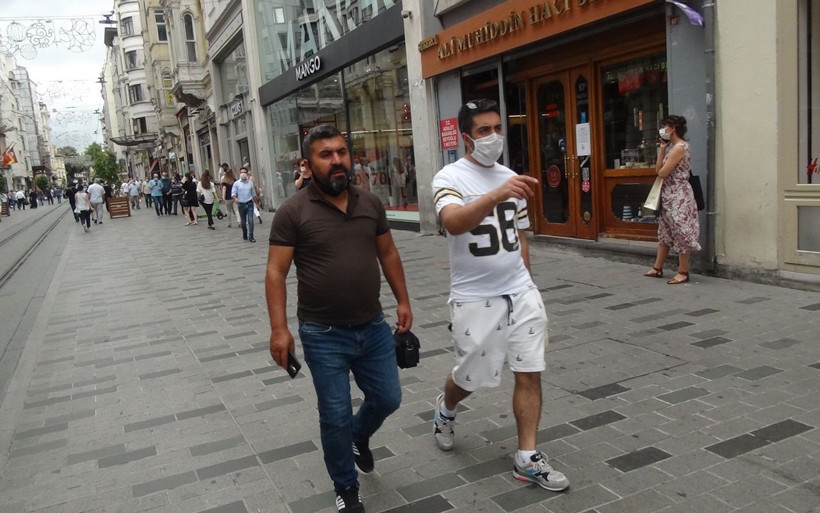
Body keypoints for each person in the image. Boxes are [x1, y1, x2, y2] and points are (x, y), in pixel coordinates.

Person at [266, 124, 413, 513]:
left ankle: (358, 436)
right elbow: (276, 272)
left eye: (341, 153)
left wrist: (403, 301)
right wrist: (279, 330)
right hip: (322, 333)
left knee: (388, 397)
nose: (336, 161)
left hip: (373, 326)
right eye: (326, 155)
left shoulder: (370, 203)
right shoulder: (292, 212)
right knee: (333, 414)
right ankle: (346, 487)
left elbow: (389, 254)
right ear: (307, 163)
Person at [430, 99, 570, 493]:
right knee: (470, 378)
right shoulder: (449, 177)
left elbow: (519, 233)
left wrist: (526, 277)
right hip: (474, 297)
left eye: (496, 128)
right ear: (466, 137)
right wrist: (494, 195)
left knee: (530, 370)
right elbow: (454, 223)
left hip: (520, 291)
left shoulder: (511, 177)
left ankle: (527, 457)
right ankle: (447, 407)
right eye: (483, 130)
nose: (493, 137)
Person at [644, 115, 701, 284]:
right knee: (666, 231)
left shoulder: (680, 147)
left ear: (673, 128)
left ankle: (683, 272)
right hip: (669, 194)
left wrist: (664, 153)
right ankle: (657, 268)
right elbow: (657, 169)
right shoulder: (671, 147)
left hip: (679, 195)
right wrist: (662, 148)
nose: (662, 129)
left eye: (664, 126)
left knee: (681, 231)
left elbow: (662, 173)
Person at [231, 169, 256, 242]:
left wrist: (257, 203)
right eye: (242, 172)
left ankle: (251, 236)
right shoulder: (236, 183)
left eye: (245, 172)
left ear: (247, 174)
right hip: (241, 204)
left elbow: (253, 194)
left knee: (251, 220)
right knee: (243, 222)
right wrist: (235, 198)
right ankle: (245, 233)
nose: (243, 174)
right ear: (239, 173)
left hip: (249, 203)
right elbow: (233, 193)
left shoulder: (250, 183)